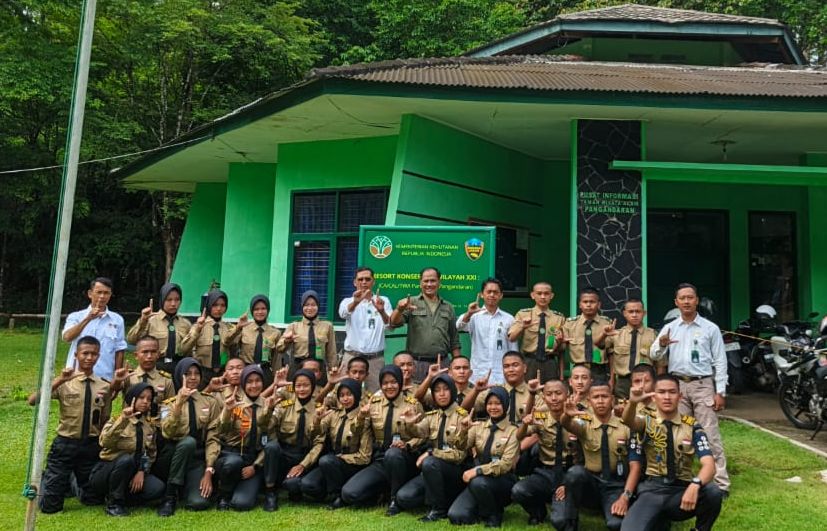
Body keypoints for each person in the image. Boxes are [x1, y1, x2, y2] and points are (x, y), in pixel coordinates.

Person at [650, 283, 729, 494]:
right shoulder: (669, 328)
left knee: (709, 433)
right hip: (677, 386)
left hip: (703, 384)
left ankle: (720, 482)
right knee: (677, 433)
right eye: (682, 298)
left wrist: (719, 391)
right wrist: (662, 344)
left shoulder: (710, 328)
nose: (686, 301)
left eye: (690, 297)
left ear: (697, 300)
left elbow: (720, 361)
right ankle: (679, 477)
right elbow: (654, 355)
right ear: (676, 302)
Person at [620, 375, 723, 531]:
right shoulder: (646, 421)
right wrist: (633, 402)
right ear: (654, 397)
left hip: (680, 492)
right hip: (652, 491)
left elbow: (709, 465)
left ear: (680, 396)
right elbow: (628, 420)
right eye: (661, 392)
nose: (667, 397)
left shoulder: (692, 426)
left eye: (672, 392)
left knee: (713, 492)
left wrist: (695, 485)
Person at [29, 336, 111, 513]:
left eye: (94, 354)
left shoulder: (103, 385)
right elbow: (33, 400)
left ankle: (72, 480)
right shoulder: (65, 382)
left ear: (99, 356)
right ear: (76, 355)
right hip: (66, 443)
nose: (89, 358)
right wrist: (59, 380)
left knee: (93, 500)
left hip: (90, 445)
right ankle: (52, 479)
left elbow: (105, 417)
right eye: (85, 353)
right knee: (50, 507)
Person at [340, 365, 424, 515]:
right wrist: (361, 416)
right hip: (380, 459)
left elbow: (424, 435)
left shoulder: (413, 404)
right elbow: (356, 432)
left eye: (393, 382)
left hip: (405, 459)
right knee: (349, 493)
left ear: (400, 382)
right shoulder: (374, 404)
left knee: (394, 454)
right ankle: (380, 493)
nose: (389, 386)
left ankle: (394, 500)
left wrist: (407, 444)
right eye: (385, 383)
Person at [558, 379, 638, 531]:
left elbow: (635, 466)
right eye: (596, 397)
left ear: (612, 399)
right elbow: (567, 424)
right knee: (575, 473)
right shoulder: (584, 422)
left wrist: (624, 497)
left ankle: (610, 508)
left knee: (616, 525)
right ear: (589, 401)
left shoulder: (625, 425)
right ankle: (571, 523)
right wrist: (566, 415)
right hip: (591, 483)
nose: (600, 401)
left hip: (615, 485)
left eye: (604, 396)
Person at [396, 374, 469, 521]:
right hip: (434, 471)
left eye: (446, 389)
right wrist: (409, 423)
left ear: (453, 391)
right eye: (437, 390)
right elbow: (418, 431)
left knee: (429, 462)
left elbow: (460, 456)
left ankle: (438, 509)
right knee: (404, 498)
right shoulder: (432, 416)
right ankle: (442, 498)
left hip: (454, 471)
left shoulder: (463, 417)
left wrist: (432, 453)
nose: (441, 394)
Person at [88, 382, 165, 516]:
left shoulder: (149, 426)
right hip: (107, 471)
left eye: (149, 399)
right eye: (141, 397)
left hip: (133, 472)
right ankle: (114, 504)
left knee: (157, 488)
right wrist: (123, 420)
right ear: (132, 398)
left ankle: (124, 497)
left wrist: (142, 470)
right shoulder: (116, 420)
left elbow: (150, 453)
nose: (145, 402)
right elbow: (105, 442)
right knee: (126, 460)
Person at [157, 358, 222, 516]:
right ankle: (170, 496)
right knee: (188, 442)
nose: (193, 377)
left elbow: (213, 438)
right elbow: (167, 433)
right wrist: (179, 404)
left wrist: (208, 470)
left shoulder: (210, 401)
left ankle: (185, 488)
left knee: (198, 503)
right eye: (188, 374)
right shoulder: (168, 403)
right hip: (173, 456)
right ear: (180, 376)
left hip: (195, 459)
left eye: (196, 374)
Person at [448, 386, 519, 528]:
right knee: (456, 516)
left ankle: (493, 514)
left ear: (505, 404)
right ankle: (482, 507)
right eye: (490, 403)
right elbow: (461, 447)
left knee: (478, 482)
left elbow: (505, 465)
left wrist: (478, 470)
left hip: (502, 480)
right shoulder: (478, 426)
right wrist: (463, 430)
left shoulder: (513, 431)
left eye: (498, 403)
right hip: (480, 482)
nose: (493, 407)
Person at [512, 380, 579, 527]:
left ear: (567, 395)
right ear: (543, 397)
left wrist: (570, 484)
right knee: (519, 490)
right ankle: (538, 513)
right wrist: (525, 423)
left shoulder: (578, 416)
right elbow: (518, 436)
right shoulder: (540, 415)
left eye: (558, 393)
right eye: (549, 394)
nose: (554, 398)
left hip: (569, 474)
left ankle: (566, 510)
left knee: (561, 522)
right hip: (546, 472)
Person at [300, 378, 372, 508]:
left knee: (327, 461)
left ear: (356, 394)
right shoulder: (334, 414)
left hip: (353, 465)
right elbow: (314, 434)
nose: (345, 399)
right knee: (307, 485)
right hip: (332, 465)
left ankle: (338, 495)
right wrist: (316, 420)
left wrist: (342, 458)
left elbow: (365, 457)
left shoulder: (364, 417)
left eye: (349, 394)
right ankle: (330, 491)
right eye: (342, 395)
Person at [111, 336, 175, 481]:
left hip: (157, 430)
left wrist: (164, 426)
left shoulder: (166, 380)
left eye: (153, 352)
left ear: (158, 354)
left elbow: (169, 407)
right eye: (145, 352)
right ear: (136, 354)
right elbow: (112, 392)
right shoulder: (128, 377)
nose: (149, 356)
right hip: (131, 430)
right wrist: (117, 379)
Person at [215, 365, 277, 511]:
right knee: (232, 463)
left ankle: (270, 494)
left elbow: (270, 441)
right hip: (232, 456)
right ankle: (223, 495)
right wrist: (227, 411)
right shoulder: (235, 403)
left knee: (242, 504)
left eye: (258, 381)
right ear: (243, 384)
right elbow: (222, 431)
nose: (254, 385)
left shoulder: (269, 404)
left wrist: (255, 466)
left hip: (253, 461)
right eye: (249, 381)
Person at [389, 267, 461, 382]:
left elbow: (454, 339)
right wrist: (399, 309)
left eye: (433, 281)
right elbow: (394, 322)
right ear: (420, 283)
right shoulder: (411, 302)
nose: (429, 284)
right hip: (417, 364)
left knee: (441, 396)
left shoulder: (448, 307)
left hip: (441, 363)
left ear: (439, 282)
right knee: (416, 397)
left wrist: (458, 364)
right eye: (426, 281)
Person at [263, 369, 319, 510]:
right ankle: (270, 493)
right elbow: (267, 427)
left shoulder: (318, 409)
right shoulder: (284, 406)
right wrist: (268, 410)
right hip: (285, 454)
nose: (302, 389)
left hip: (305, 457)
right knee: (271, 447)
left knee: (294, 485)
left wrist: (303, 465)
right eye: (298, 386)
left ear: (313, 386)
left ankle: (294, 488)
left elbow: (319, 443)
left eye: (306, 385)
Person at [62, 277, 127, 381]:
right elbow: (67, 337)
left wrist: (117, 377)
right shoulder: (76, 317)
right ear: (90, 294)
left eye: (106, 293)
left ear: (110, 295)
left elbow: (119, 349)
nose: (102, 296)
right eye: (99, 292)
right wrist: (88, 318)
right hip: (76, 375)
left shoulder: (117, 320)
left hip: (104, 376)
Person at [339, 267, 392, 392]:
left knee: (376, 397)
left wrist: (381, 310)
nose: (364, 282)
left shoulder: (383, 301)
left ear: (373, 282)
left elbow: (389, 325)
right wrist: (357, 302)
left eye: (367, 279)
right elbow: (343, 313)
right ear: (354, 282)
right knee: (346, 394)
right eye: (360, 279)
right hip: (351, 357)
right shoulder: (348, 301)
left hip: (375, 360)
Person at [457, 278, 517, 386]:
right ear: (481, 294)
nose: (492, 295)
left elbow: (513, 349)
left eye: (495, 292)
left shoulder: (509, 319)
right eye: (489, 292)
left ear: (501, 295)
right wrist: (469, 313)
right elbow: (459, 326)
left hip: (501, 376)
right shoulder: (474, 316)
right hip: (477, 375)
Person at [126, 282, 191, 376]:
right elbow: (131, 340)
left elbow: (190, 350)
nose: (173, 304)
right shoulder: (150, 320)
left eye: (177, 300)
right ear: (162, 300)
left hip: (179, 367)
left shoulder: (185, 323)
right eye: (169, 300)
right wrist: (143, 320)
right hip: (156, 366)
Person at [600, 298, 659, 399]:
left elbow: (660, 363)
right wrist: (604, 335)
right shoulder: (616, 334)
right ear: (624, 313)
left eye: (638, 311)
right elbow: (599, 346)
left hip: (645, 381)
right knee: (623, 412)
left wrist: (658, 384)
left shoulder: (653, 335)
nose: (634, 315)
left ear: (644, 313)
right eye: (631, 312)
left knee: (645, 411)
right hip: (623, 382)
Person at [509, 282, 567, 383]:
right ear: (532, 295)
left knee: (550, 393)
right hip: (529, 361)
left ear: (551, 296)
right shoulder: (523, 314)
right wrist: (522, 326)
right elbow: (511, 338)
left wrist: (561, 375)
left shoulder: (559, 318)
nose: (543, 297)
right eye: (539, 293)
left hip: (550, 361)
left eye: (546, 294)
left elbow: (562, 350)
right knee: (527, 393)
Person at [463, 352, 536, 426]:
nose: (511, 369)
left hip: (525, 434)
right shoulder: (494, 390)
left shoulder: (534, 392)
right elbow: (463, 409)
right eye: (506, 366)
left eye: (515, 365)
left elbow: (541, 421)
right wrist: (476, 390)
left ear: (525, 368)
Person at [277, 290, 337, 379]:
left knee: (319, 392)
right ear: (302, 306)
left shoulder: (327, 326)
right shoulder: (294, 326)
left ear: (318, 306)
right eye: (306, 305)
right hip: (298, 368)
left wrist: (333, 369)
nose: (310, 308)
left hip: (318, 369)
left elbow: (331, 352)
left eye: (313, 305)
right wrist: (287, 341)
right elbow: (279, 348)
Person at [228, 294, 282, 384]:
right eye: (256, 309)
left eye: (263, 308)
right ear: (252, 311)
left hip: (265, 372)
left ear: (268, 310)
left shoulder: (275, 332)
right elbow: (228, 342)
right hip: (247, 371)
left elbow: (276, 359)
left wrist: (277, 377)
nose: (260, 312)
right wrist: (237, 327)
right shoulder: (243, 329)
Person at [560, 287, 613, 380]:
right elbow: (562, 350)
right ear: (580, 304)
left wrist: (612, 379)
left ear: (599, 304)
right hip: (578, 369)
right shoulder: (570, 324)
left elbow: (611, 353)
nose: (588, 305)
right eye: (585, 302)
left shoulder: (606, 324)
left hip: (599, 370)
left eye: (592, 302)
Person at [181, 290, 232, 383]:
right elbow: (183, 349)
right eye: (215, 305)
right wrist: (198, 329)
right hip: (203, 373)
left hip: (223, 373)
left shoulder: (229, 328)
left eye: (222, 305)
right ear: (208, 305)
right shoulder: (199, 326)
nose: (219, 308)